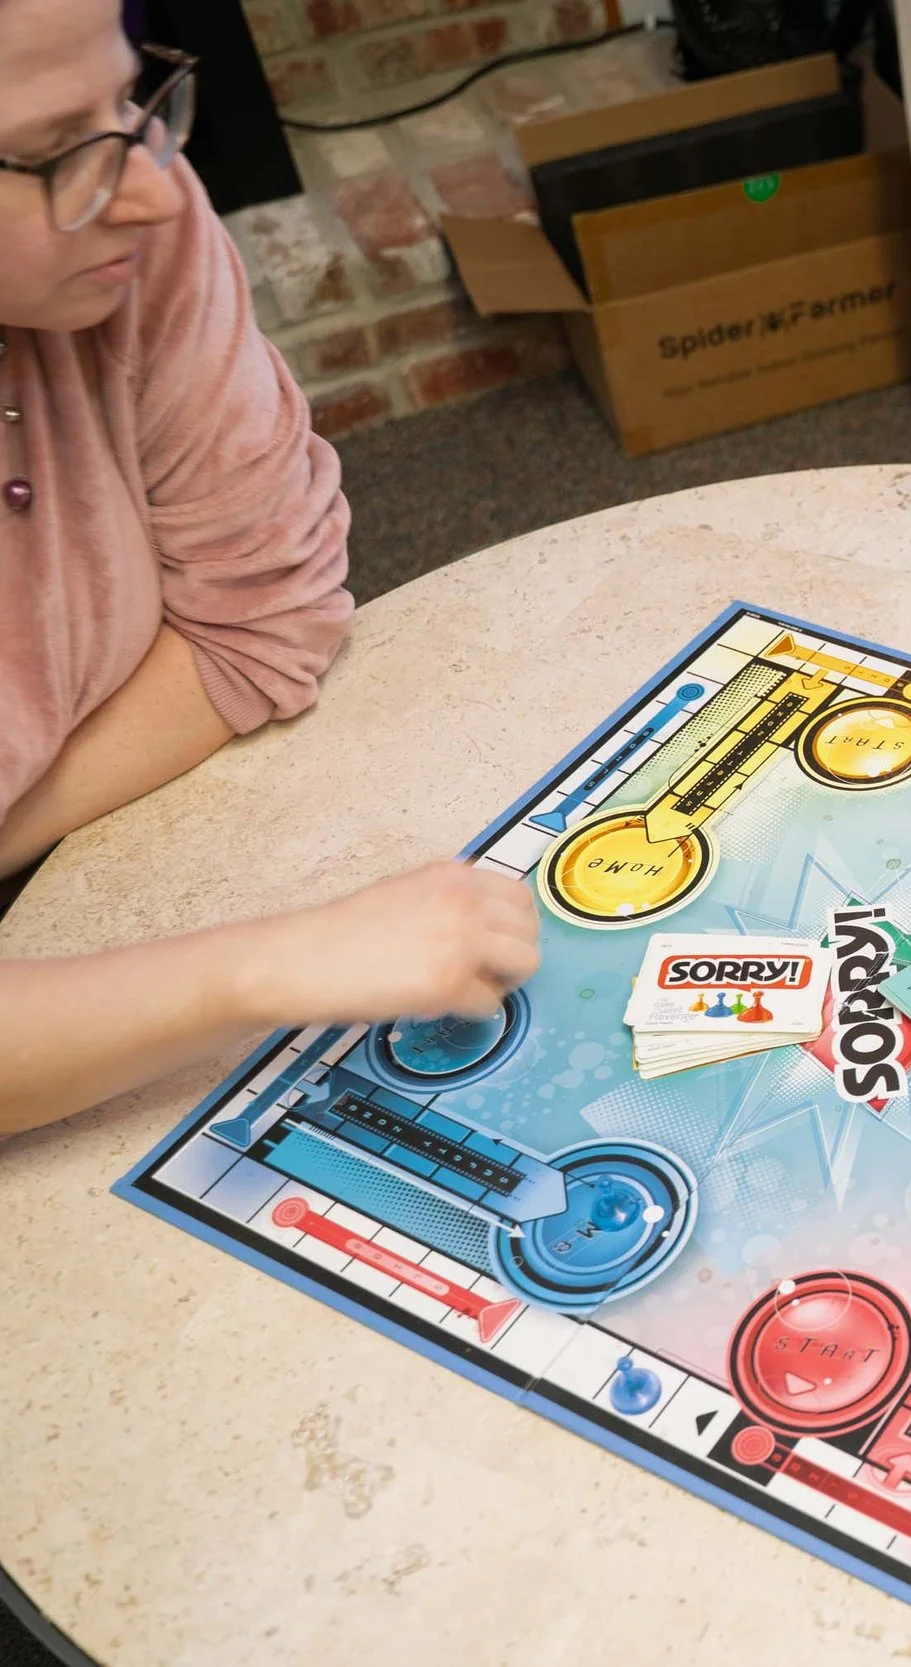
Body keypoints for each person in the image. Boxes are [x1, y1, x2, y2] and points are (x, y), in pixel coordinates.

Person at [0, 0, 539, 1138]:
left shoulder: (134, 216)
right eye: (53, 154)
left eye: (134, 96)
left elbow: (260, 621)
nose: (154, 185)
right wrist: (273, 965)